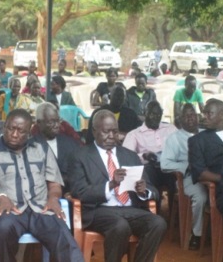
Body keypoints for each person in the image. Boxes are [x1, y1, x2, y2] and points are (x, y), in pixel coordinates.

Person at [0, 109, 83, 262]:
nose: (14, 134)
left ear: (29, 132)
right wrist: (1, 198)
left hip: (42, 208)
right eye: (11, 128)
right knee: (3, 231)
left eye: (21, 131)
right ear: (4, 127)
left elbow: (54, 183)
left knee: (64, 237)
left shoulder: (42, 149)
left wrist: (53, 199)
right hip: (11, 209)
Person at [68, 109, 166, 262]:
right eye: (106, 132)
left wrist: (144, 191)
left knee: (158, 223)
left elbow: (153, 190)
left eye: (115, 131)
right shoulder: (80, 155)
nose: (111, 136)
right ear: (94, 131)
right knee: (120, 226)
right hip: (99, 210)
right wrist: (111, 184)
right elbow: (79, 191)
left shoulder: (130, 155)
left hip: (130, 209)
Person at [161, 103, 207, 250]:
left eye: (193, 115)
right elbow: (165, 164)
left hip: (210, 175)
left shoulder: (206, 133)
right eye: (186, 116)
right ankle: (197, 234)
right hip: (188, 178)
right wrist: (186, 167)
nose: (191, 118)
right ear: (180, 120)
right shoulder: (174, 138)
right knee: (201, 197)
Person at [123, 101, 177, 211]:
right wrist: (144, 156)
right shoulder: (135, 134)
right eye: (152, 114)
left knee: (176, 180)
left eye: (158, 115)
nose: (155, 118)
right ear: (144, 113)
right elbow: (125, 157)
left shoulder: (170, 129)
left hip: (169, 166)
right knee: (149, 176)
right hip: (149, 168)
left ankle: (174, 216)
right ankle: (154, 213)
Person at [189, 99, 223, 226]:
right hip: (222, 189)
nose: (204, 117)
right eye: (204, 113)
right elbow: (200, 173)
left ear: (222, 115)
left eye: (209, 113)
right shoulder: (197, 141)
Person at [34, 102, 80, 194]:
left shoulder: (70, 143)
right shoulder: (30, 146)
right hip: (40, 196)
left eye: (58, 120)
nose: (57, 125)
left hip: (69, 195)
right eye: (51, 122)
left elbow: (79, 172)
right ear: (39, 123)